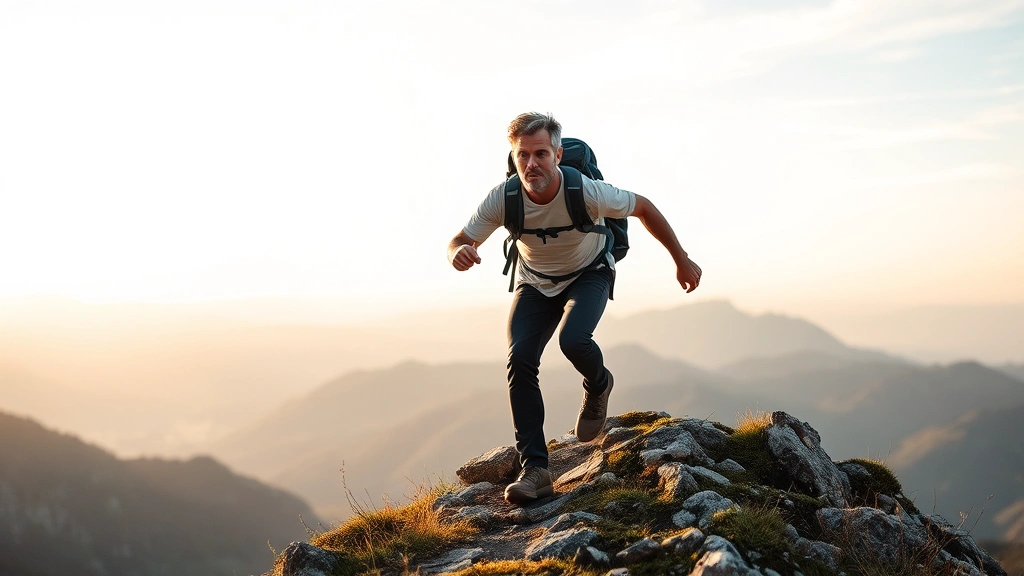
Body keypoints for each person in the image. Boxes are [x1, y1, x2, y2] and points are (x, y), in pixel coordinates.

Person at [447, 112, 701, 506]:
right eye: (523, 155)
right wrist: (459, 251)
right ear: (514, 157)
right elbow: (462, 238)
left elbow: (644, 207)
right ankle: (536, 470)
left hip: (590, 273)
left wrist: (681, 259)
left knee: (573, 340)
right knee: (520, 360)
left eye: (541, 154)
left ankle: (599, 383)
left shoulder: (586, 192)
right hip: (535, 284)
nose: (532, 164)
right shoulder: (504, 197)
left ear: (558, 154)